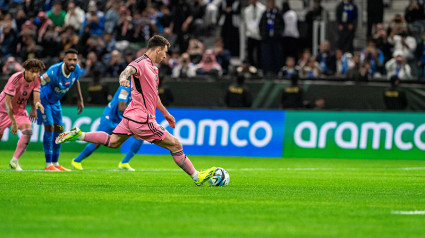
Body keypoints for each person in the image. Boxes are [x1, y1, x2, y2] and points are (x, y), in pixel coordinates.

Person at [56, 35, 217, 186]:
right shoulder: (140, 63)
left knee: (113, 142)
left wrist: (166, 114)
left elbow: (154, 96)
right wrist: (122, 79)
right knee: (176, 145)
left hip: (129, 117)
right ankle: (197, 177)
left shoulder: (154, 69)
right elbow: (128, 70)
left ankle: (79, 134)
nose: (165, 56)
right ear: (158, 49)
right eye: (165, 52)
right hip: (142, 119)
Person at [72, 86, 144, 171]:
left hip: (122, 119)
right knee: (97, 142)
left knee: (140, 136)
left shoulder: (139, 90)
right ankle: (76, 160)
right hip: (110, 118)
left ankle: (124, 163)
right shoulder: (125, 88)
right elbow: (121, 107)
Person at [37, 48, 84, 171]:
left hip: (55, 102)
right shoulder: (53, 71)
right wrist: (35, 103)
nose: (72, 62)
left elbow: (76, 81)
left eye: (75, 59)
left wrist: (80, 99)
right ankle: (48, 165)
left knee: (59, 129)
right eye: (69, 59)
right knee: (50, 128)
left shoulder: (77, 69)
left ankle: (56, 163)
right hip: (44, 100)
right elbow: (38, 83)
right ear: (64, 60)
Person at [0, 59, 46, 171]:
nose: (35, 74)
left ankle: (14, 161)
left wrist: (36, 106)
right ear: (26, 70)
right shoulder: (15, 79)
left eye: (37, 72)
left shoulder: (37, 79)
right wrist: (14, 123)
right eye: (33, 71)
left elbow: (36, 94)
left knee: (28, 132)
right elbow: (7, 103)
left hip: (20, 110)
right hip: (3, 109)